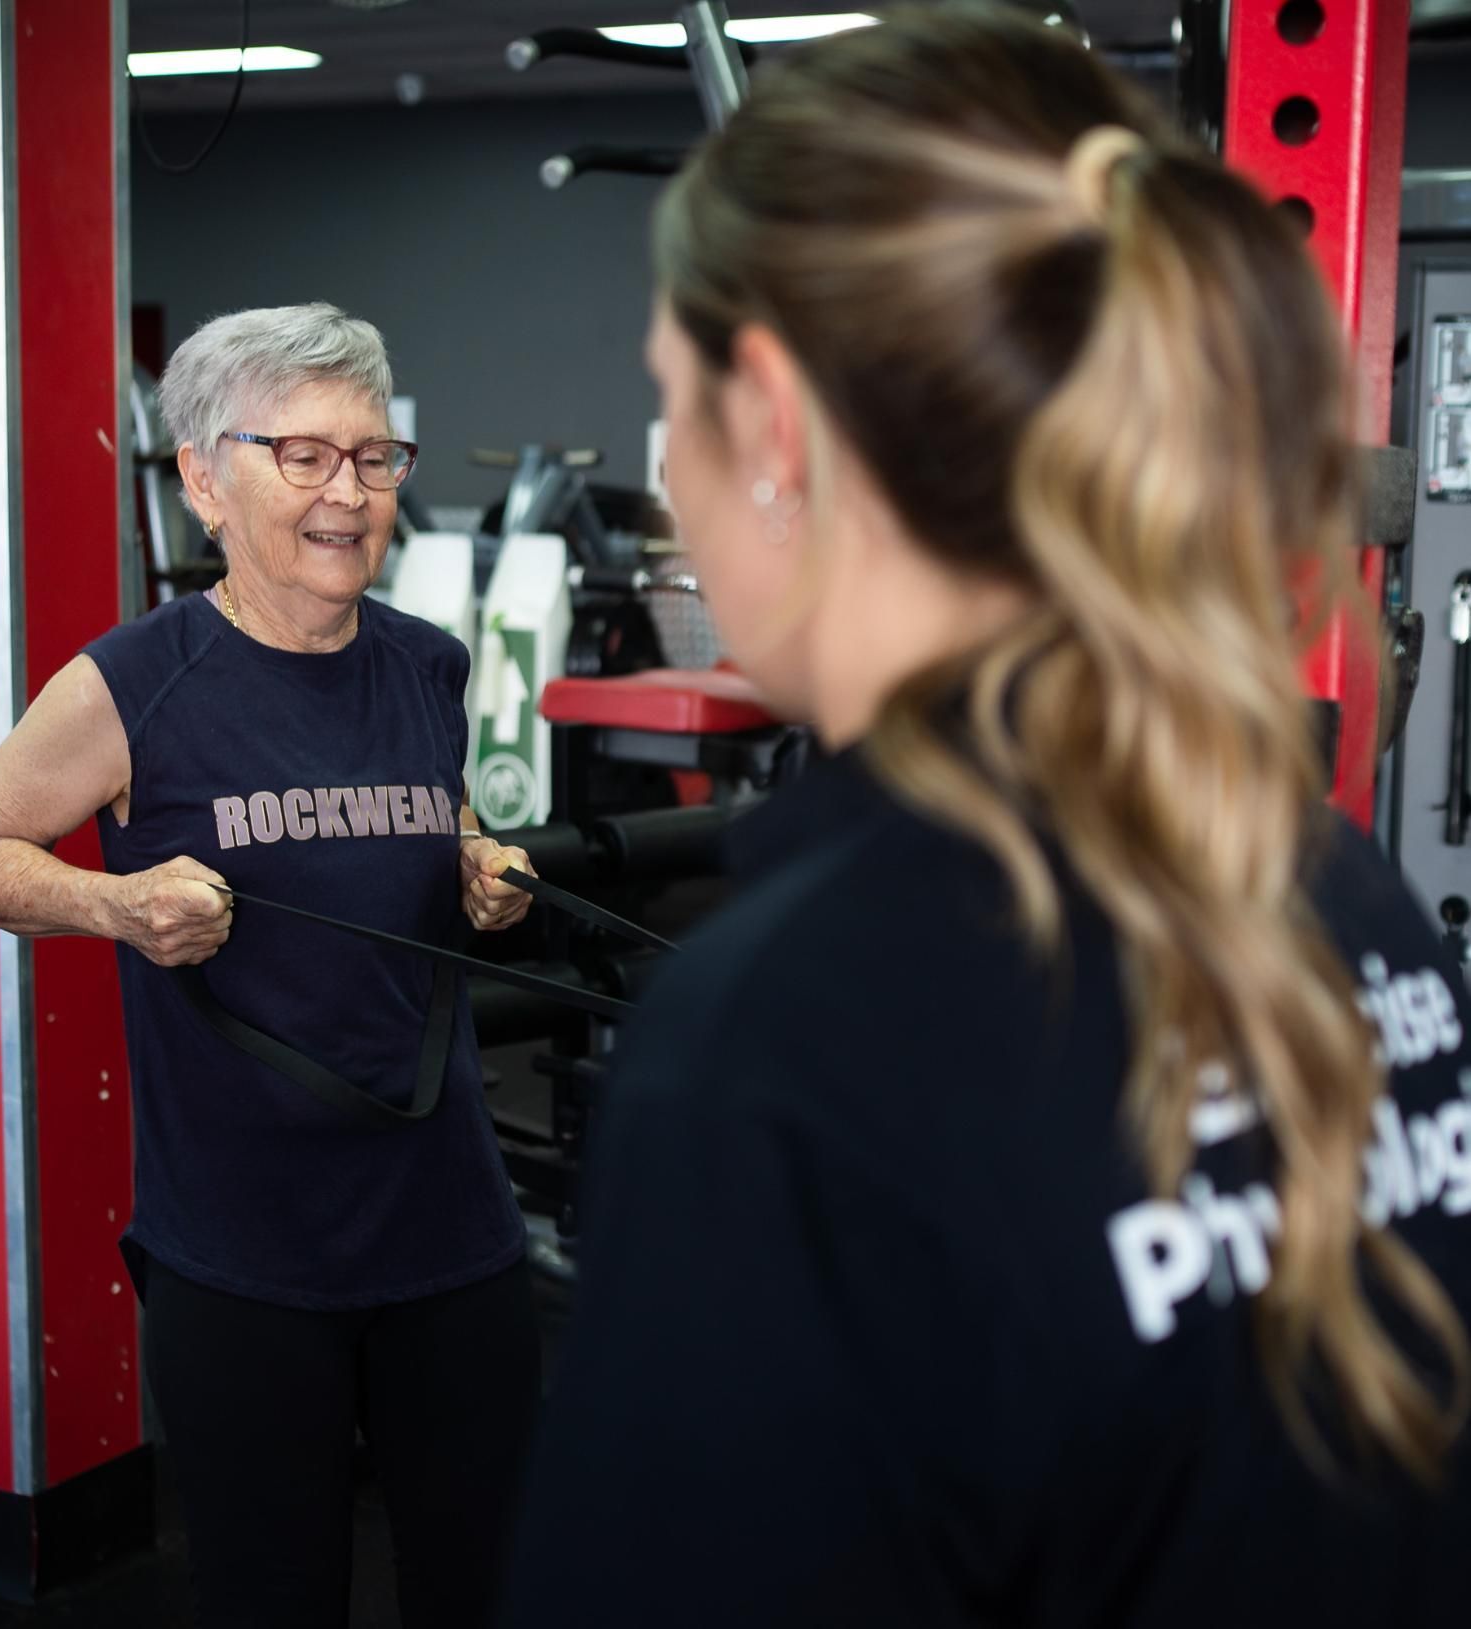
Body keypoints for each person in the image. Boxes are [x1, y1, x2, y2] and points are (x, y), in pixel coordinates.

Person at [498, 10, 1471, 1627]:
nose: (667, 479)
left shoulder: (787, 1039)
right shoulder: (1326, 878)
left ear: (778, 424)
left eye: (666, 404)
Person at [0, 303, 541, 1629]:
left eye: (374, 458)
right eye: (304, 457)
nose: (348, 494)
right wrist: (116, 899)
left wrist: (478, 862)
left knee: (485, 1580)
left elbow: (425, 817)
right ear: (203, 476)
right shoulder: (134, 683)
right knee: (275, 1594)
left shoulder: (428, 665)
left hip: (451, 1225)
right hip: (248, 1255)